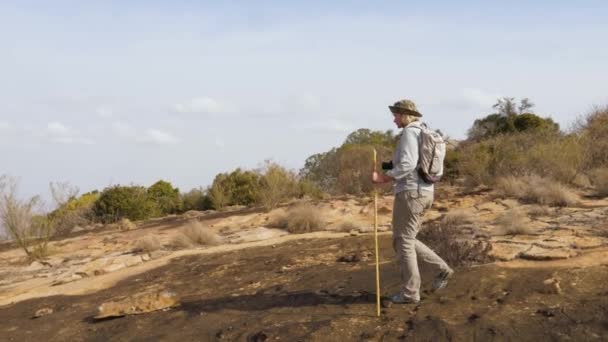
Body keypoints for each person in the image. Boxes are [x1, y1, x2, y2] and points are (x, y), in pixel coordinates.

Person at [372, 99, 453, 304]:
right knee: (405, 238)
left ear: (405, 115)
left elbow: (408, 164)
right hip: (424, 192)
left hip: (410, 193)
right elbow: (415, 163)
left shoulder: (409, 132)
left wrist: (384, 177)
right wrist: (392, 165)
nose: (394, 119)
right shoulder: (424, 132)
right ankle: (441, 269)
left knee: (403, 241)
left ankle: (410, 293)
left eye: (397, 115)